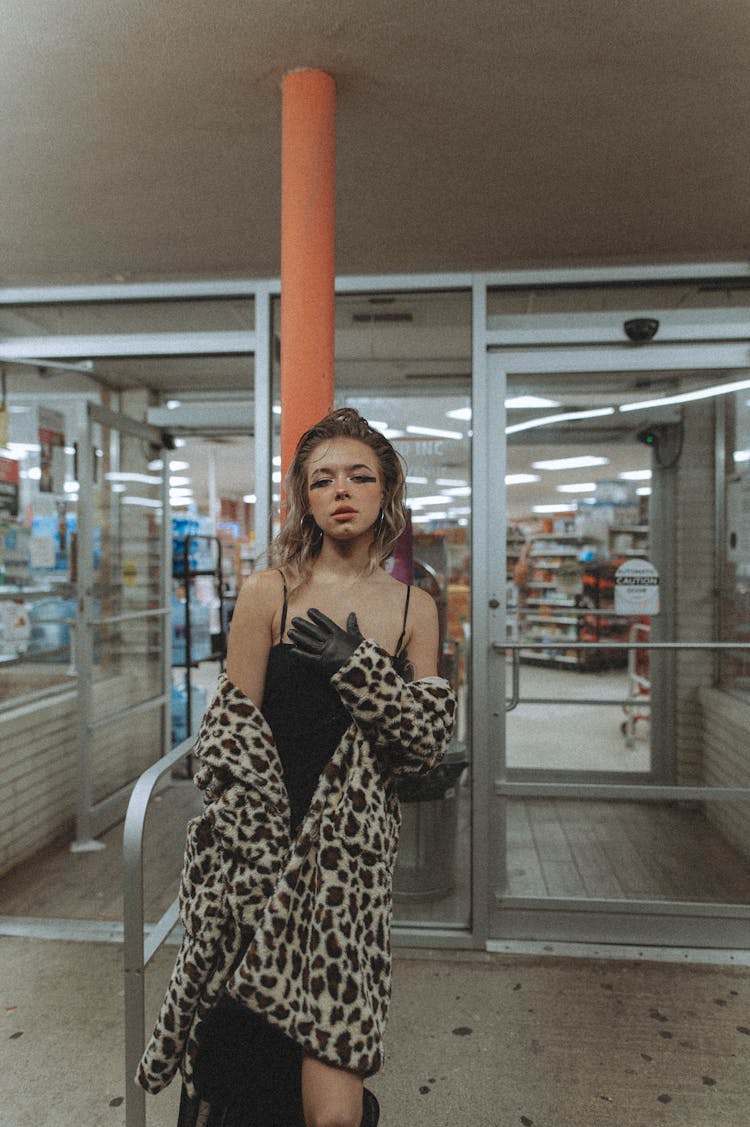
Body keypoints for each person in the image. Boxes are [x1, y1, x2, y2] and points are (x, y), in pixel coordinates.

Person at [137, 408, 457, 1127]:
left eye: (360, 475)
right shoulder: (267, 592)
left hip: (349, 877)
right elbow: (226, 736)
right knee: (244, 1085)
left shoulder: (414, 607)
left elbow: (425, 743)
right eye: (323, 478)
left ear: (387, 492)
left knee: (335, 1111)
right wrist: (249, 852)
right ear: (305, 498)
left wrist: (362, 675)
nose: (341, 489)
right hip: (258, 861)